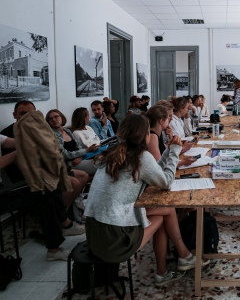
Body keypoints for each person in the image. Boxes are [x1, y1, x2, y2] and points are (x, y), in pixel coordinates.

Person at [84, 115, 209, 287]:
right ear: (145, 136)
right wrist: (173, 151)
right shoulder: (140, 157)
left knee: (165, 211)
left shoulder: (112, 153)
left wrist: (168, 151)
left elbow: (154, 169)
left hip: (94, 231)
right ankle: (180, 259)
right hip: (114, 239)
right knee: (165, 212)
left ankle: (176, 262)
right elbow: (165, 182)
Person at [1, 101, 85, 261]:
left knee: (52, 187)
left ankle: (63, 227)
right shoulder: (13, 131)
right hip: (11, 187)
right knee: (47, 191)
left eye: (31, 114)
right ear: (14, 116)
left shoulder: (22, 133)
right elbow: (22, 160)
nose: (28, 118)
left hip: (39, 174)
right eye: (22, 114)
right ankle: (61, 232)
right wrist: (25, 149)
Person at [46, 109, 99, 176]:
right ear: (48, 122)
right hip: (70, 164)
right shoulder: (52, 135)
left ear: (61, 117)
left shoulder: (67, 131)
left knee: (105, 160)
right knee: (102, 164)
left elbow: (79, 146)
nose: (54, 120)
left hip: (80, 159)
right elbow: (65, 154)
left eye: (56, 117)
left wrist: (80, 157)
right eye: (50, 119)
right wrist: (86, 151)